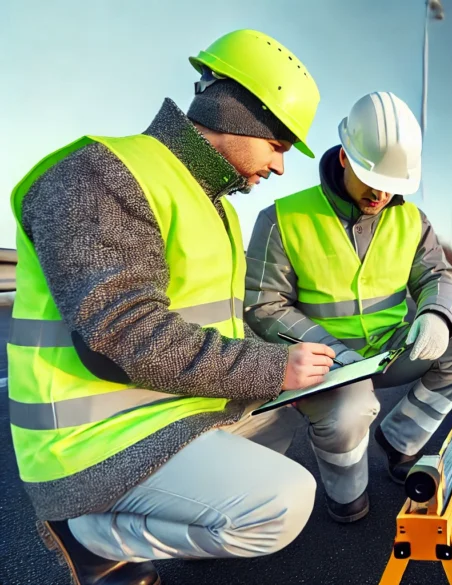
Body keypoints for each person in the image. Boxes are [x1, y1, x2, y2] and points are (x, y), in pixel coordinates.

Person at [8, 30, 334, 585]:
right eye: (279, 146)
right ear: (241, 113)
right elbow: (126, 335)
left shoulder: (216, 205)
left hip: (176, 408)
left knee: (306, 415)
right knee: (283, 502)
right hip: (94, 441)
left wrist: (290, 370)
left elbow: (211, 321)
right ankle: (87, 533)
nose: (280, 168)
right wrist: (274, 367)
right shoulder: (102, 174)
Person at [243, 91, 452, 523]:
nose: (379, 193)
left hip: (390, 349)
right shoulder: (282, 218)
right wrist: (332, 351)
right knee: (349, 411)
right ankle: (347, 493)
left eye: (391, 184)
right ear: (343, 157)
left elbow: (438, 275)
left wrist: (436, 314)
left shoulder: (412, 220)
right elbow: (264, 306)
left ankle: (399, 441)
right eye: (370, 178)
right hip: (324, 362)